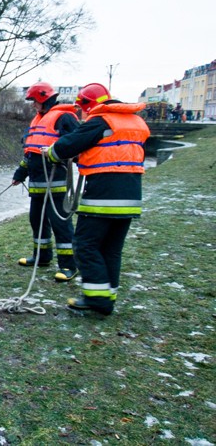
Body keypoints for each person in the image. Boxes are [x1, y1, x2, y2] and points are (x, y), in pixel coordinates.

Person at [44, 83, 150, 315]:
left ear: (88, 104)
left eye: (82, 108)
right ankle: (107, 297)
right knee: (111, 249)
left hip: (103, 195)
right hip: (131, 196)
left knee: (85, 245)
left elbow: (66, 146)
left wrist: (50, 153)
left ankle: (97, 299)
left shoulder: (101, 121)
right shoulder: (136, 122)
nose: (82, 114)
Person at [12, 82, 80, 281]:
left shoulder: (64, 117)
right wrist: (20, 174)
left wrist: (56, 154)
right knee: (37, 221)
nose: (32, 105)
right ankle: (42, 257)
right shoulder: (38, 120)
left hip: (55, 183)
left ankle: (69, 265)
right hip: (37, 185)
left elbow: (76, 144)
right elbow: (30, 154)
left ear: (43, 98)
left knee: (60, 223)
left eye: (34, 101)